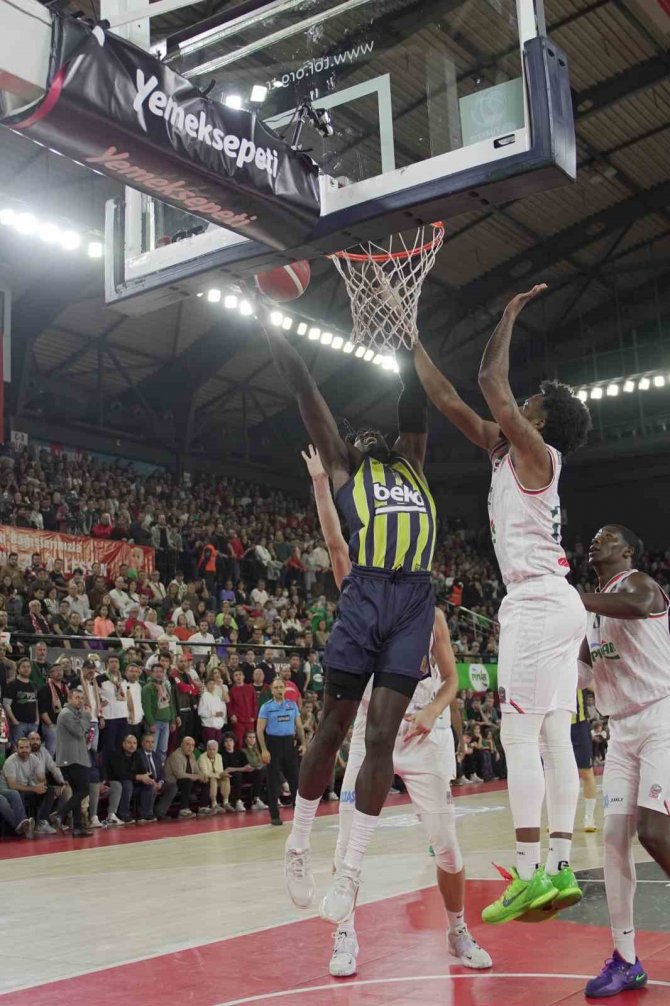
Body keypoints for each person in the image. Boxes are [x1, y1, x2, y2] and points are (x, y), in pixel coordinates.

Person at [413, 285, 592, 924]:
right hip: (551, 602)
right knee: (549, 734)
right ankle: (560, 866)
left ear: (539, 419)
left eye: (533, 401)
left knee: (520, 733)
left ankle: (527, 871)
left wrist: (509, 311)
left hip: (538, 603)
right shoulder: (508, 449)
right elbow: (447, 398)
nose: (525, 401)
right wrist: (410, 335)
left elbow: (490, 378)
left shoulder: (538, 453)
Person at [265, 314, 436, 911]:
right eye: (357, 436)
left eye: (373, 432)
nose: (368, 435)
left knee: (381, 737)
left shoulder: (411, 461)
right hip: (365, 596)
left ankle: (350, 871)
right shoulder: (343, 467)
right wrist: (267, 320)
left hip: (414, 597)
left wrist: (409, 326)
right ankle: (298, 842)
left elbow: (415, 399)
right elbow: (305, 386)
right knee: (334, 728)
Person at [303, 443, 490, 969]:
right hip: (373, 730)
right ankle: (345, 936)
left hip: (423, 731)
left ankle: (457, 931)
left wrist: (433, 712)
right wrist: (322, 486)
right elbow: (336, 544)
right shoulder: (360, 587)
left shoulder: (427, 612)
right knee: (347, 843)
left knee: (448, 848)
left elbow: (452, 680)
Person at [578, 525, 670, 997]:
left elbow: (635, 608)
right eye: (593, 537)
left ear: (627, 550)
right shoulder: (591, 613)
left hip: (661, 719)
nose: (596, 540)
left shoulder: (639, 585)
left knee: (653, 831)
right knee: (614, 840)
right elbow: (579, 672)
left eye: (607, 536)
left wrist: (571, 600)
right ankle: (626, 959)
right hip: (621, 733)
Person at [257, 677, 305, 826]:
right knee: (273, 781)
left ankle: (299, 813)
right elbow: (259, 730)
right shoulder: (266, 707)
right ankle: (275, 815)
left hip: (289, 744)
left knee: (295, 779)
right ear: (272, 690)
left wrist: (304, 743)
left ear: (285, 689)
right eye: (276, 688)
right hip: (273, 744)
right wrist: (264, 750)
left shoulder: (292, 705)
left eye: (281, 687)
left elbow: (299, 726)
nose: (279, 690)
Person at [55, 687, 92, 837]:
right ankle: (59, 814)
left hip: (76, 758)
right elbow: (78, 732)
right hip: (72, 759)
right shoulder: (66, 714)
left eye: (81, 698)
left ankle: (77, 828)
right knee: (84, 790)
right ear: (69, 699)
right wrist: (87, 716)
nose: (80, 701)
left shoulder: (75, 714)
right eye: (76, 697)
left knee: (78, 792)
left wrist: (83, 717)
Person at [1, 736, 57, 834]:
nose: (24, 750)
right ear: (16, 748)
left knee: (49, 789)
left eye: (27, 747)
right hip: (10, 790)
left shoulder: (34, 759)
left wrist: (40, 785)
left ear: (30, 748)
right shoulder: (10, 762)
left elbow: (42, 778)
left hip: (26, 788)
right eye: (21, 748)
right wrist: (34, 788)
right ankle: (24, 824)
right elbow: (12, 785)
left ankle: (42, 823)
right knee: (17, 793)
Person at [571, 688, 597, 832]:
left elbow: (594, 685)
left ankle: (589, 817)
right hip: (557, 723)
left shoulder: (580, 666)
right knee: (557, 774)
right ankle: (556, 818)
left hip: (580, 725)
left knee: (587, 772)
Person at [164, 736, 205, 819]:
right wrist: (194, 776)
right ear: (182, 745)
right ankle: (183, 810)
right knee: (187, 781)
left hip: (186, 780)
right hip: (173, 781)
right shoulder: (175, 755)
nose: (190, 748)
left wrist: (202, 776)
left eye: (192, 745)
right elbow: (179, 774)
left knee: (205, 780)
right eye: (188, 745)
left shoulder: (192, 755)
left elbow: (196, 770)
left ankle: (203, 807)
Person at [3, 658, 39, 747]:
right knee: (17, 750)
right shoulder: (13, 684)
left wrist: (37, 720)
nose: (26, 669)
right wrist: (15, 721)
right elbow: (6, 704)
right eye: (23, 667)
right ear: (18, 669)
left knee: (32, 751)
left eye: (28, 667)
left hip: (33, 724)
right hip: (19, 724)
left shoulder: (33, 684)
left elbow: (36, 703)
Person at [134, 732, 169, 823]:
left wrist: (160, 782)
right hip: (142, 782)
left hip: (157, 782)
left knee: (172, 787)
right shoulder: (137, 754)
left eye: (152, 742)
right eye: (148, 742)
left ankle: (159, 812)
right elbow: (140, 771)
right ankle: (145, 815)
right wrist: (153, 782)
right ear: (142, 743)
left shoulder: (156, 755)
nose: (151, 744)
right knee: (149, 786)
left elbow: (162, 772)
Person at [106, 733, 140, 826]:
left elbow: (143, 771)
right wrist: (136, 777)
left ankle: (146, 814)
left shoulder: (137, 755)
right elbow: (120, 774)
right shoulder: (117, 755)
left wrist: (146, 778)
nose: (132, 745)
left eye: (134, 743)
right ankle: (124, 815)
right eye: (129, 743)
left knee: (148, 784)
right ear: (123, 744)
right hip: (116, 781)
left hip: (131, 781)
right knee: (127, 784)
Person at [37, 664, 68, 757]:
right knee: (51, 751)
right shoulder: (44, 689)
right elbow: (42, 709)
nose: (59, 672)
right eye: (56, 670)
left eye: (60, 670)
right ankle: (46, 771)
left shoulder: (66, 688)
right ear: (50, 674)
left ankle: (60, 771)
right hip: (52, 725)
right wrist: (50, 724)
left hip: (65, 725)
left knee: (63, 752)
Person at [227, 668, 258, 749]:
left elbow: (254, 703)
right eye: (236, 675)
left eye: (240, 675)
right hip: (238, 721)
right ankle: (240, 760)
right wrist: (232, 715)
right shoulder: (232, 691)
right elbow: (229, 705)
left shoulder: (250, 688)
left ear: (243, 676)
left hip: (249, 720)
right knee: (239, 741)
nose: (238, 677)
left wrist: (254, 716)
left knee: (251, 742)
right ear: (233, 678)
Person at [242, 730, 268, 811]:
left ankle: (273, 797)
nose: (252, 739)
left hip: (259, 772)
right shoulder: (243, 751)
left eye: (253, 737)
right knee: (262, 770)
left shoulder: (257, 750)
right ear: (245, 739)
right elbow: (249, 764)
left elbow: (260, 763)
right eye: (250, 737)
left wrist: (260, 765)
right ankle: (256, 800)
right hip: (248, 773)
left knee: (270, 770)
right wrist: (260, 765)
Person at [198, 677, 227, 747]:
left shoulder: (216, 697)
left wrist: (221, 714)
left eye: (213, 684)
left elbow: (222, 709)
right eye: (210, 684)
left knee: (217, 748)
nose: (212, 686)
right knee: (210, 748)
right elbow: (201, 712)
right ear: (206, 685)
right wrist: (213, 713)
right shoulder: (204, 696)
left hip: (218, 727)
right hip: (209, 727)